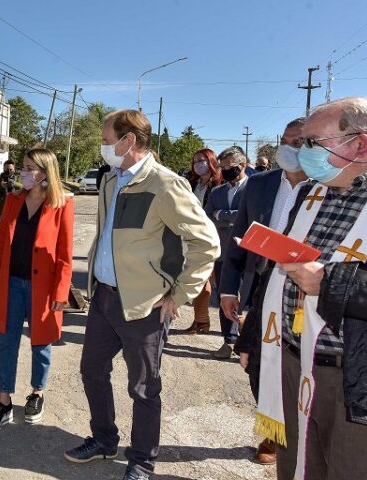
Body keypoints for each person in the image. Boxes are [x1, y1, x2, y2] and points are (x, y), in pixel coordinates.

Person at [64, 110, 220, 480]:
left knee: (144, 388)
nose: (103, 147)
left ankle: (141, 461)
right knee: (91, 371)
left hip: (145, 305)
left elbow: (206, 243)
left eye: (106, 140)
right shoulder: (110, 181)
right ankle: (104, 440)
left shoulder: (165, 185)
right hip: (104, 298)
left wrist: (179, 294)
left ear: (128, 141)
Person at [237, 97, 367, 479]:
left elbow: (323, 278)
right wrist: (251, 340)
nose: (302, 153)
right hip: (293, 359)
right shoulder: (311, 193)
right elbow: (280, 270)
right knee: (297, 467)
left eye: (313, 144)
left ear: (360, 145)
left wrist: (330, 284)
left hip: (353, 380)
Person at [222, 118, 308, 465]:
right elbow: (239, 240)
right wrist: (229, 288)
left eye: (300, 142)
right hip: (261, 288)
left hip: (304, 294)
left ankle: (298, 436)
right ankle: (274, 430)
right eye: (285, 142)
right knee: (254, 362)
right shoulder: (259, 185)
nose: (290, 149)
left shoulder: (328, 187)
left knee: (298, 367)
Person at [0, 148, 74, 432]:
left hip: (43, 288)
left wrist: (61, 293)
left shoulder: (62, 204)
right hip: (11, 284)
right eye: (23, 166)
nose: (23, 172)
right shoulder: (13, 200)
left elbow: (65, 254)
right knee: (6, 342)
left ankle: (37, 393)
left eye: (29, 167)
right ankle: (4, 399)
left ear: (45, 172)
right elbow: (2, 245)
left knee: (41, 342)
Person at [204, 147, 249, 359]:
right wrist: (231, 217)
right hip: (224, 254)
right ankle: (229, 341)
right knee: (226, 297)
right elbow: (207, 217)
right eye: (221, 168)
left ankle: (248, 342)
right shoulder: (217, 192)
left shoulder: (255, 188)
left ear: (242, 165)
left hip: (250, 255)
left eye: (228, 167)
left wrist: (221, 214)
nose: (223, 172)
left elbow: (249, 218)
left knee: (249, 300)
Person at [183, 148, 223, 334]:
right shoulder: (192, 184)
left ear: (211, 161)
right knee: (201, 278)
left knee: (222, 284)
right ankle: (201, 321)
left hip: (214, 239)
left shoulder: (219, 185)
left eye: (202, 160)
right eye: (196, 160)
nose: (198, 164)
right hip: (193, 238)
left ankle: (241, 326)